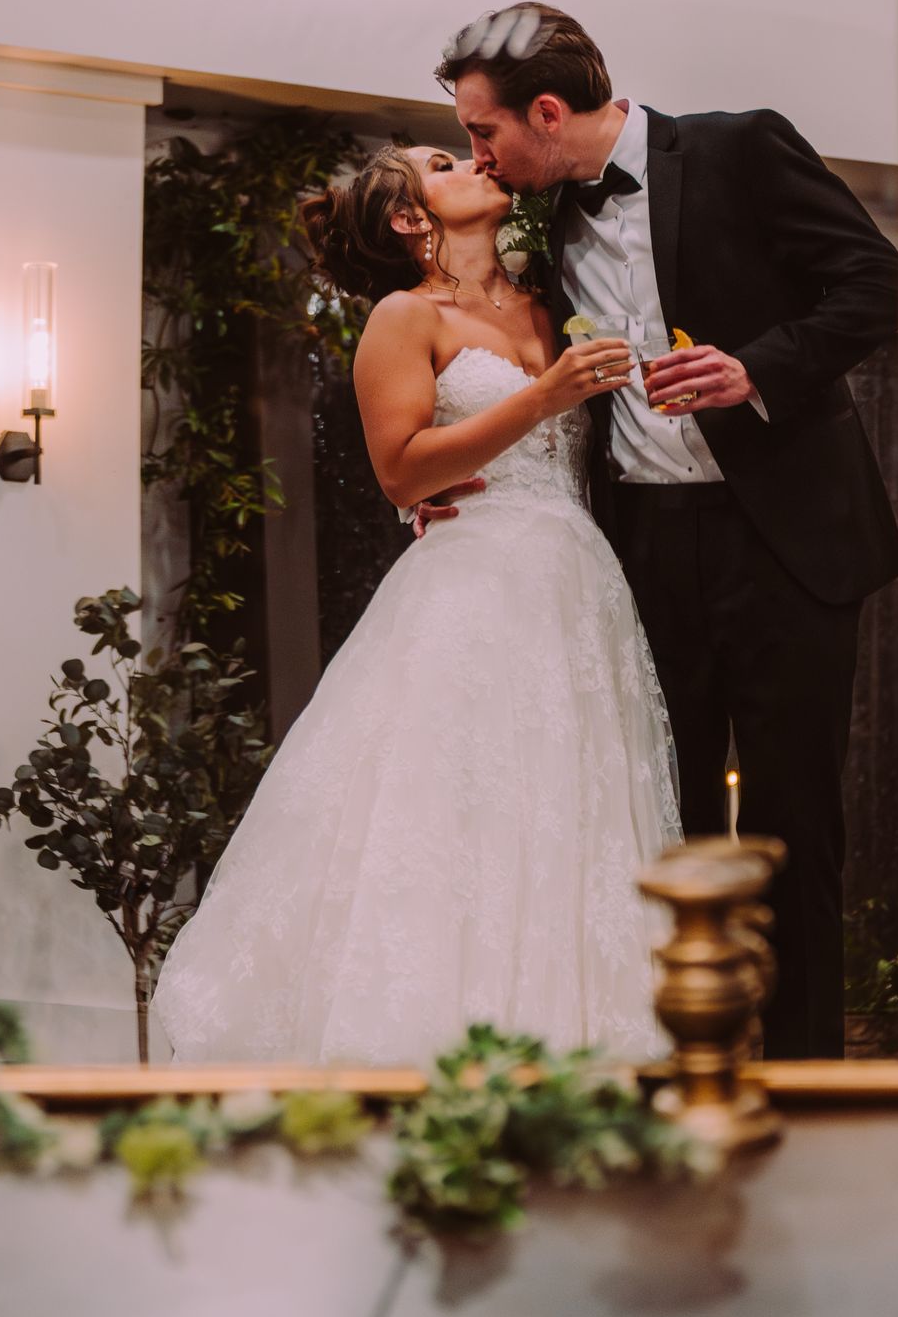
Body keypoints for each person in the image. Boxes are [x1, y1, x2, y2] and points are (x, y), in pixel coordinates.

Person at [436, 3, 898, 1058]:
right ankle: (692, 1059)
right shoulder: (538, 220)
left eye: (484, 132)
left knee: (793, 832)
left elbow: (880, 283)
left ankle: (801, 1081)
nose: (479, 154)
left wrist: (759, 368)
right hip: (644, 549)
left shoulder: (743, 148)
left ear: (546, 112)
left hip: (784, 543)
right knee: (662, 817)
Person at [151, 143, 679, 1067]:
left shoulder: (547, 300)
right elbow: (401, 470)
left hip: (578, 586)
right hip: (474, 590)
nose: (473, 161)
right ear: (409, 218)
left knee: (573, 810)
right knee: (463, 810)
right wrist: (546, 394)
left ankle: (574, 1040)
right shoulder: (404, 317)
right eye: (442, 162)